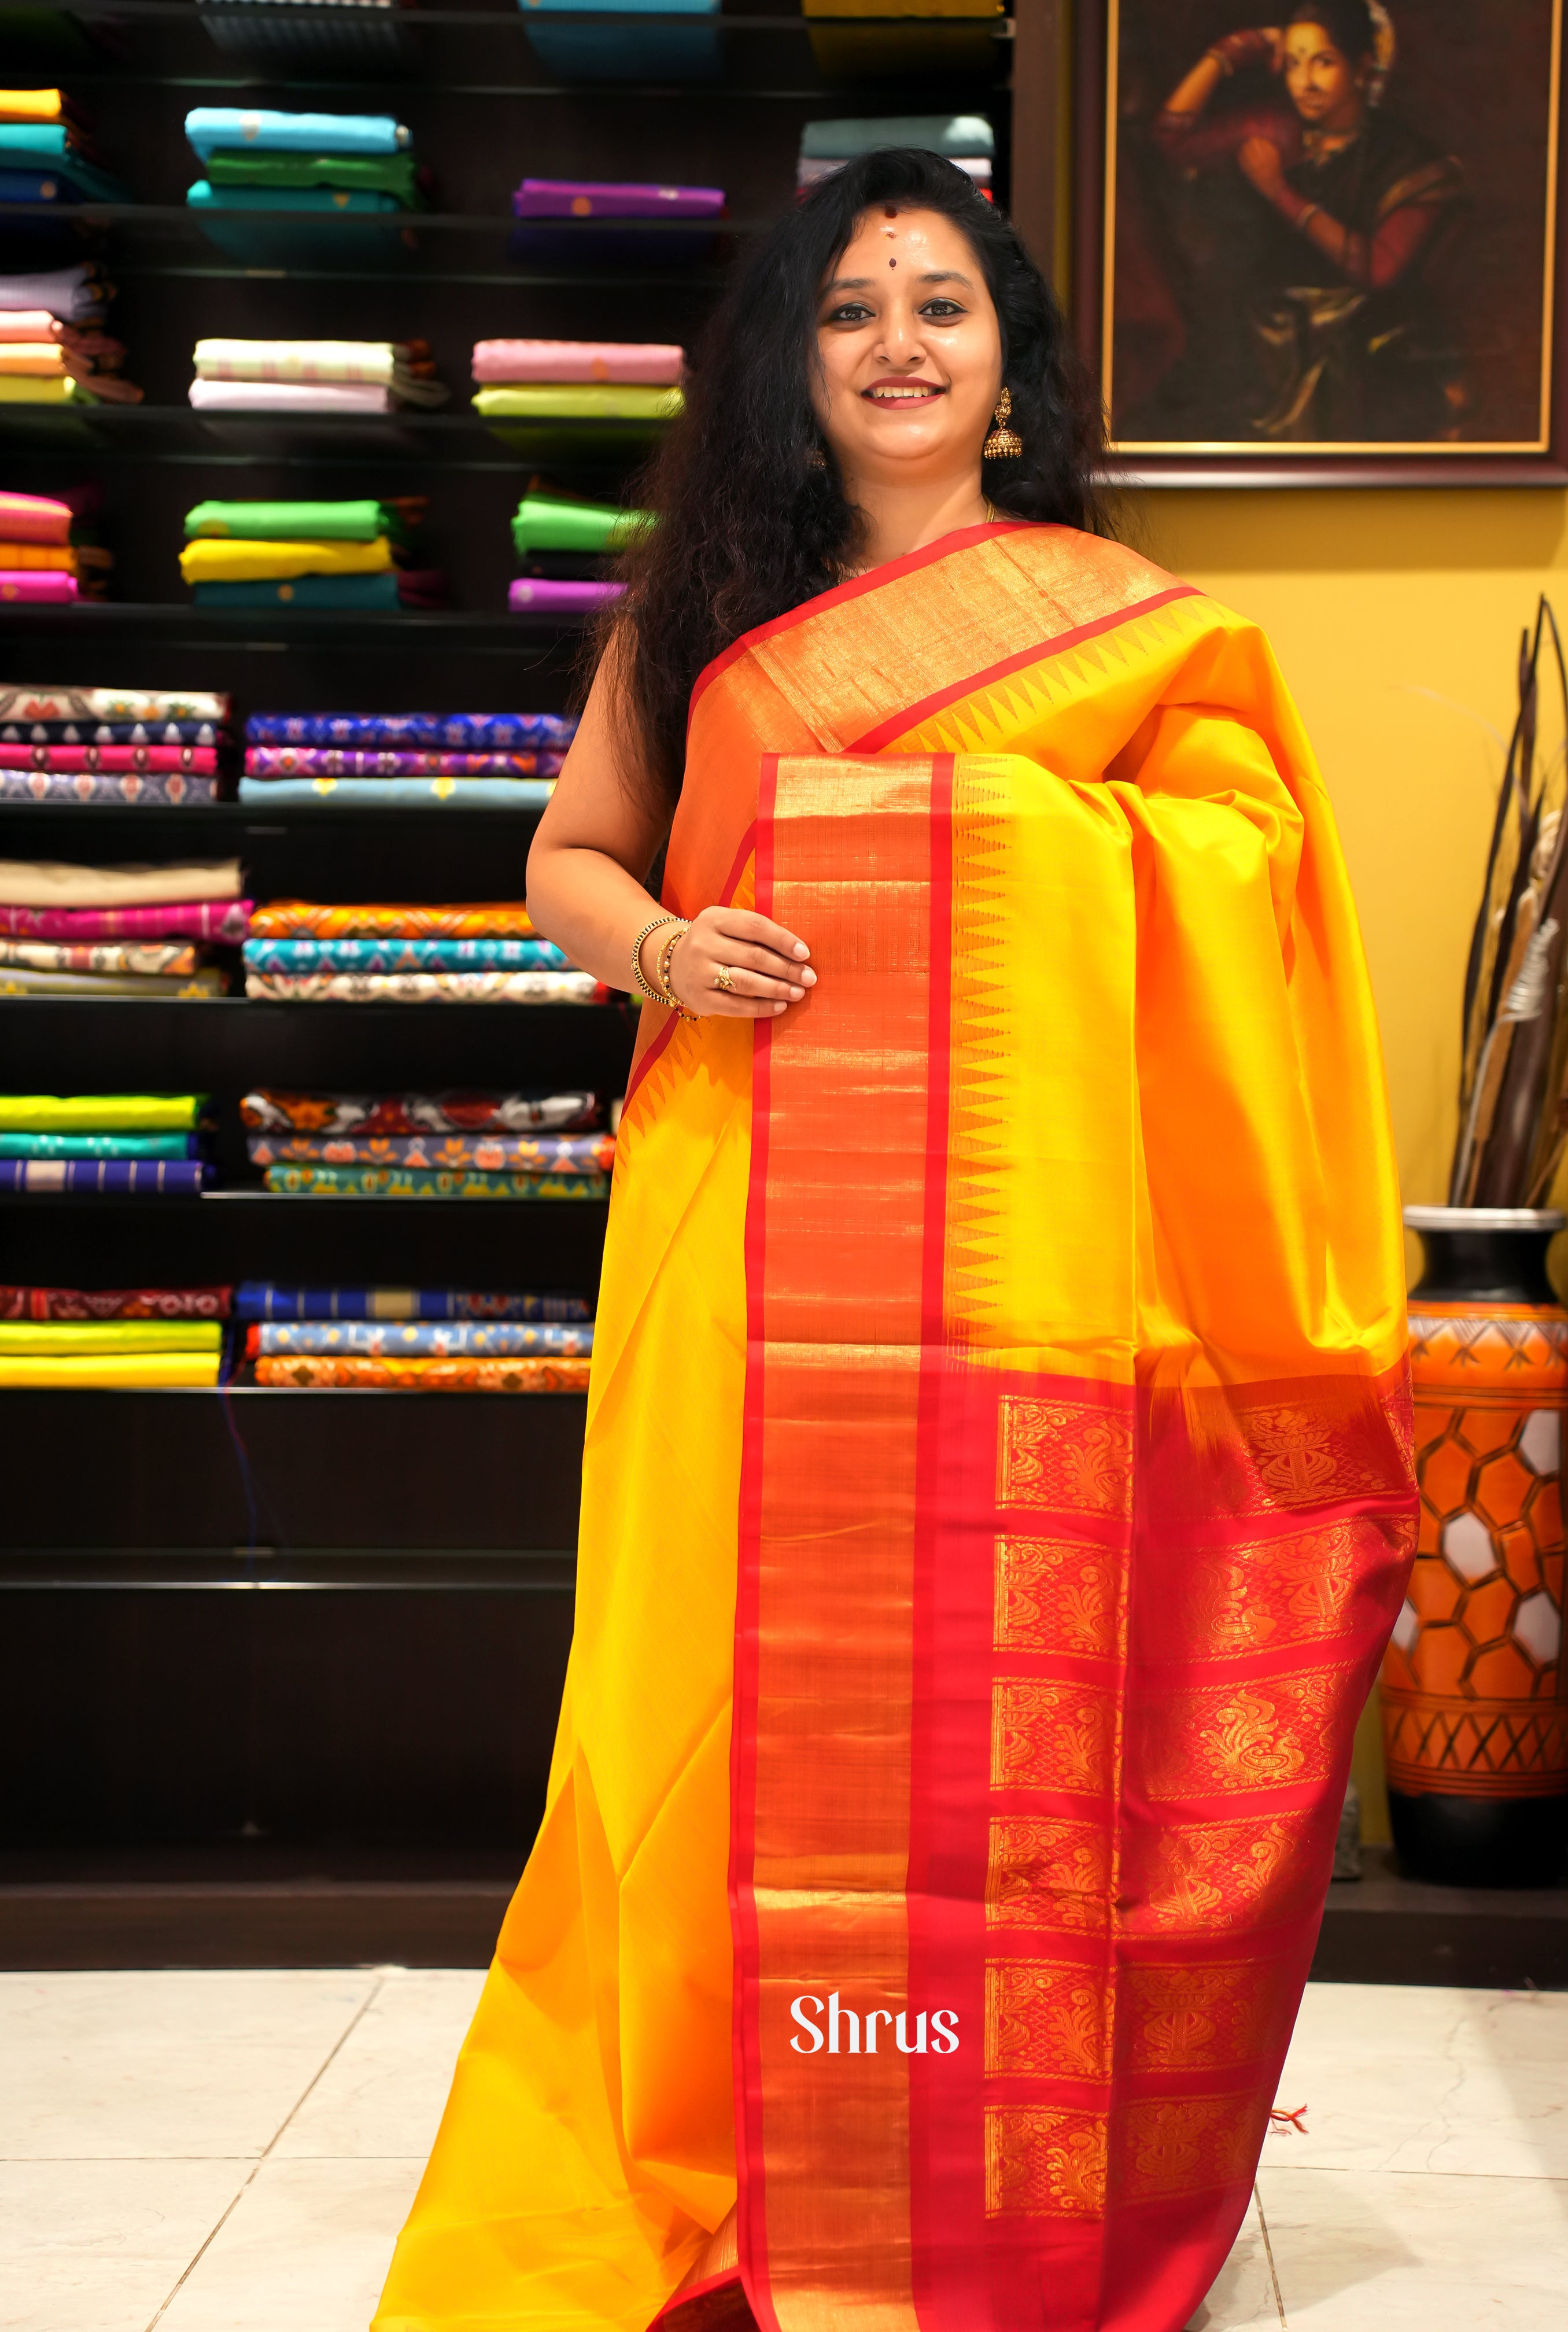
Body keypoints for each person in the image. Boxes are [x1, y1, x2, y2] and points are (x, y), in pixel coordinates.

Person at [371, 144, 1415, 2332]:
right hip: (739, 1214)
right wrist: (661, 942)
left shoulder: (1108, 610)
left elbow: (1238, 864)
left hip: (1022, 1265)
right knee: (710, 1686)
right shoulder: (709, 609)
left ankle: (960, 2150)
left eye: (936, 302)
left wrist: (988, 831)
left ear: (1005, 363)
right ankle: (726, 2148)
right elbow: (568, 856)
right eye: (848, 309)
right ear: (792, 359)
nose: (895, 345)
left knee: (985, 1685)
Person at [1121, 0, 1464, 442]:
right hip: (1264, 350)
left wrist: (1279, 192)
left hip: (1362, 352)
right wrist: (1231, 51)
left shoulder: (1409, 161)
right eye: (1295, 64)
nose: (1306, 83)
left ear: (1361, 68)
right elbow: (1170, 138)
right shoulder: (1277, 128)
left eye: (1323, 63)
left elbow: (1377, 267)